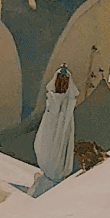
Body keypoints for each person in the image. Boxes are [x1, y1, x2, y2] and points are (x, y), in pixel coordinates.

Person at [32, 64, 77, 196]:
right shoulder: (52, 98)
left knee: (59, 149)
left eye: (65, 80)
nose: (62, 83)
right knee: (47, 147)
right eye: (60, 79)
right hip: (51, 129)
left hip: (61, 129)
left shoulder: (69, 101)